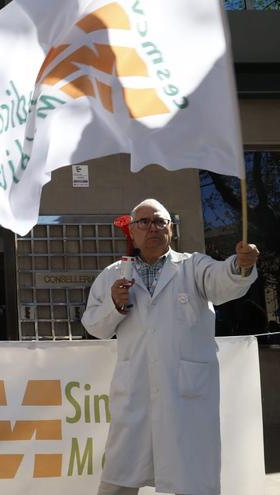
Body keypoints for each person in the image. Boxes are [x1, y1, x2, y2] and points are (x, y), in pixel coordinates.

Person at [82, 198, 259, 495]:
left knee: (193, 479)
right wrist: (114, 305)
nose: (152, 227)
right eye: (144, 222)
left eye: (160, 221)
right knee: (119, 479)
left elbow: (223, 281)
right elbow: (95, 327)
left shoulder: (193, 266)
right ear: (132, 232)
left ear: (171, 230)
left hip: (185, 396)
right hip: (136, 393)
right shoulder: (114, 275)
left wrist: (240, 266)